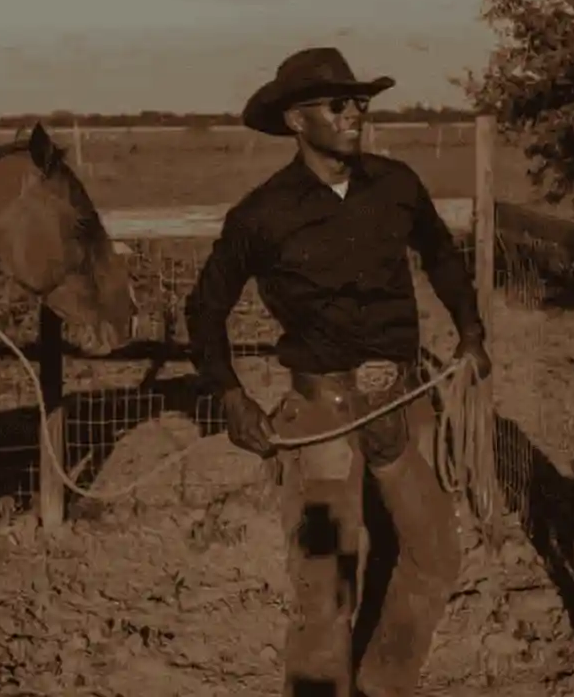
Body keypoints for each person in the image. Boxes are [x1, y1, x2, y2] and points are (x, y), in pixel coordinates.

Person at [185, 47, 492, 697]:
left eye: (360, 102)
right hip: (321, 419)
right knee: (326, 590)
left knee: (436, 554)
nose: (355, 113)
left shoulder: (398, 185)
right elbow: (204, 310)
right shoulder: (261, 215)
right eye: (338, 104)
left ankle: (384, 681)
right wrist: (231, 396)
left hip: (402, 407)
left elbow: (441, 255)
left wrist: (470, 333)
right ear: (296, 121)